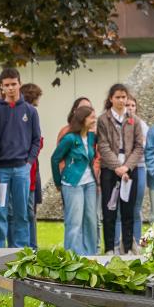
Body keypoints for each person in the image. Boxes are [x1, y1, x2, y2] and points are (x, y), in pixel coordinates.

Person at [0, 68, 42, 248]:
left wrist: (28, 163)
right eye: (6, 85)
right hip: (1, 171)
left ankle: (20, 252)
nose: (10, 88)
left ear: (19, 84)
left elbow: (36, 140)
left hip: (22, 170)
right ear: (2, 87)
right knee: (0, 212)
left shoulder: (30, 111)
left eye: (13, 84)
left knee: (21, 213)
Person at [96, 84, 144, 255]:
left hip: (130, 169)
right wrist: (117, 167)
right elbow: (103, 145)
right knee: (109, 210)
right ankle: (109, 248)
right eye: (118, 97)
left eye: (124, 97)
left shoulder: (134, 120)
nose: (121, 100)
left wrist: (127, 167)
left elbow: (139, 147)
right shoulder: (103, 120)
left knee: (128, 210)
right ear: (111, 99)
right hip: (110, 170)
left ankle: (128, 247)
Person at [51, 105, 99, 255]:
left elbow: (93, 156)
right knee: (75, 221)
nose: (94, 119)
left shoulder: (92, 137)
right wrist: (58, 182)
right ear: (82, 119)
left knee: (91, 219)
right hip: (72, 184)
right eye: (91, 117)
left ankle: (91, 255)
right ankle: (73, 256)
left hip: (90, 183)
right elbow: (55, 159)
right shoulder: (69, 138)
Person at [20, 83, 43, 249]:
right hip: (29, 170)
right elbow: (37, 141)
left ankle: (31, 245)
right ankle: (30, 246)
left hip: (32, 169)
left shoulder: (31, 113)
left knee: (29, 211)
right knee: (28, 211)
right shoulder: (29, 113)